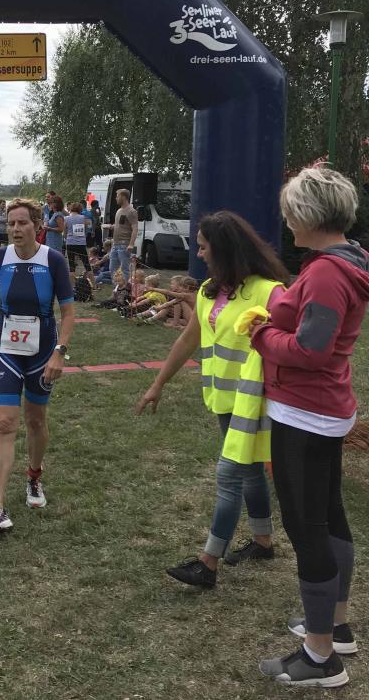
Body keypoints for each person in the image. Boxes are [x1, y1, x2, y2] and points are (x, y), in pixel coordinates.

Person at [252, 168, 369, 688]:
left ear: (307, 214)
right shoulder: (348, 260)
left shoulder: (325, 272)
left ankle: (320, 656)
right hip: (322, 408)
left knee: (307, 528)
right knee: (328, 515)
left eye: (290, 212)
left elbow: (310, 349)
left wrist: (262, 335)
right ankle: (336, 627)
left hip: (304, 411)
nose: (286, 221)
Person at [136, 211, 289, 589]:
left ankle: (208, 563)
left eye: (204, 247)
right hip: (223, 399)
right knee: (249, 470)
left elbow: (292, 345)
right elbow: (188, 340)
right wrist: (158, 383)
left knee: (229, 476)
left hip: (254, 403)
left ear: (224, 249)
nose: (199, 254)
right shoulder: (209, 291)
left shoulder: (269, 292)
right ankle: (263, 542)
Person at [0, 198, 75, 535]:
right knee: (5, 422)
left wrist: (60, 352)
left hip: (42, 350)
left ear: (37, 225)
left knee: (35, 419)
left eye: (22, 223)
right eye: (11, 223)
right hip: (5, 347)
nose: (15, 229)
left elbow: (68, 312)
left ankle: (34, 476)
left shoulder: (53, 260)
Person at [103, 189, 138, 278]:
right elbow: (120, 225)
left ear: (123, 197)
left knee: (124, 269)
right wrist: (110, 226)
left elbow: (135, 228)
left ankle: (125, 286)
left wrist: (131, 244)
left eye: (117, 196)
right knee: (112, 268)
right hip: (115, 244)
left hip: (124, 244)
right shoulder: (119, 211)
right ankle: (117, 286)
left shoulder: (131, 211)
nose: (116, 198)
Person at [64, 202, 94, 287]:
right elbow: (89, 226)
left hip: (70, 243)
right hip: (81, 243)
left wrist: (67, 238)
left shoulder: (66, 218)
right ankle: (94, 285)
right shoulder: (83, 218)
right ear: (80, 209)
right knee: (87, 265)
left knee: (71, 267)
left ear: (71, 208)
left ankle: (73, 287)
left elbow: (64, 231)